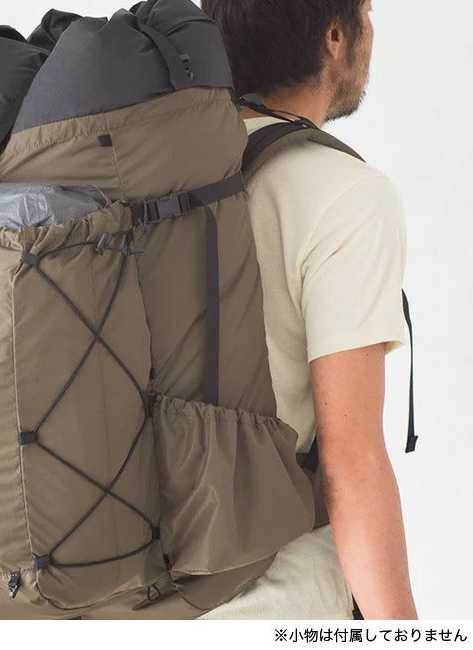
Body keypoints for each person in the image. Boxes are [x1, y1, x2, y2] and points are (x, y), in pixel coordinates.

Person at [200, 0, 418, 620]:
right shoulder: (345, 194)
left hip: (119, 603)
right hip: (274, 607)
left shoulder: (153, 172)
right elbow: (351, 463)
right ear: (335, 35)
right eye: (367, 12)